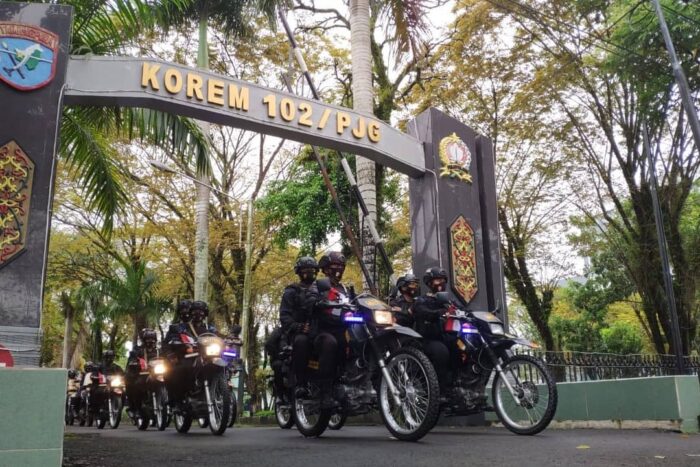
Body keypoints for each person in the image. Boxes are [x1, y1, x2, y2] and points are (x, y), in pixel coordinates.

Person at [306, 251, 351, 408]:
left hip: (344, 328)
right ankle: (325, 392)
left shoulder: (345, 288)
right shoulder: (318, 285)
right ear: (325, 269)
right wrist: (318, 302)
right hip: (323, 330)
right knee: (330, 343)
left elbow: (356, 301)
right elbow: (310, 301)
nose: (338, 269)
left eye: (341, 266)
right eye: (334, 265)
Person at [277, 256, 319, 390]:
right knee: (301, 342)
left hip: (321, 329)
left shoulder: (322, 289)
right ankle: (301, 383)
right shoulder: (291, 291)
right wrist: (298, 327)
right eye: (305, 270)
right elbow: (284, 315)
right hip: (299, 332)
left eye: (312, 270)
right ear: (299, 272)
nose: (309, 273)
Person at [413, 267, 451, 386]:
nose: (441, 283)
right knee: (441, 352)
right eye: (437, 280)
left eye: (443, 280)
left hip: (448, 337)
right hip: (428, 339)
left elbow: (462, 310)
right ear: (429, 283)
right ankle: (439, 388)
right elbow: (422, 311)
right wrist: (438, 313)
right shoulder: (421, 300)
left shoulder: (448, 301)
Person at [126, 328, 159, 415]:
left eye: (152, 339)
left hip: (158, 375)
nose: (150, 341)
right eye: (148, 339)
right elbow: (131, 360)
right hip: (143, 375)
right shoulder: (136, 350)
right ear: (143, 340)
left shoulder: (159, 351)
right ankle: (137, 409)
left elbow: (167, 358)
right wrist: (134, 363)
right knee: (137, 385)